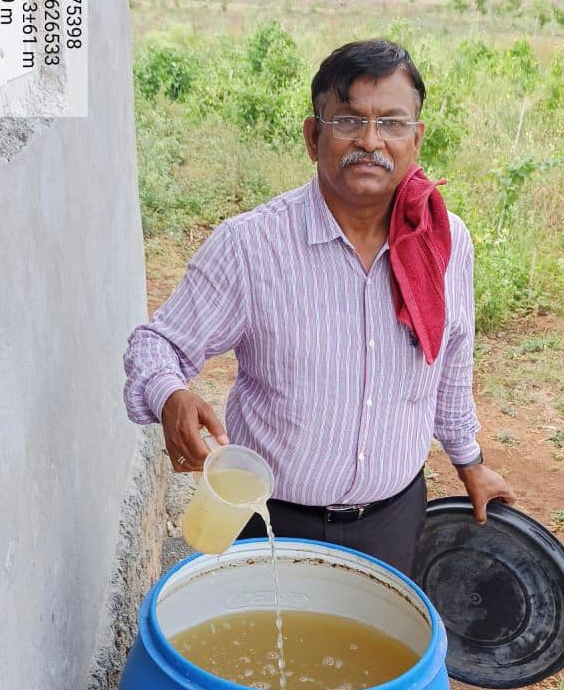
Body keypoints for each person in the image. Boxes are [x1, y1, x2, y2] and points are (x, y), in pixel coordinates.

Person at [123, 39, 514, 577]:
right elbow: (157, 344)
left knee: (374, 636)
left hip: (392, 521)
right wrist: (171, 394)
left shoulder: (443, 241)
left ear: (416, 139)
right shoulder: (251, 247)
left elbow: (450, 363)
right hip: (267, 522)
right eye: (349, 120)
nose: (371, 141)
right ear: (313, 137)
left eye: (392, 123)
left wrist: (470, 462)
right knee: (253, 635)